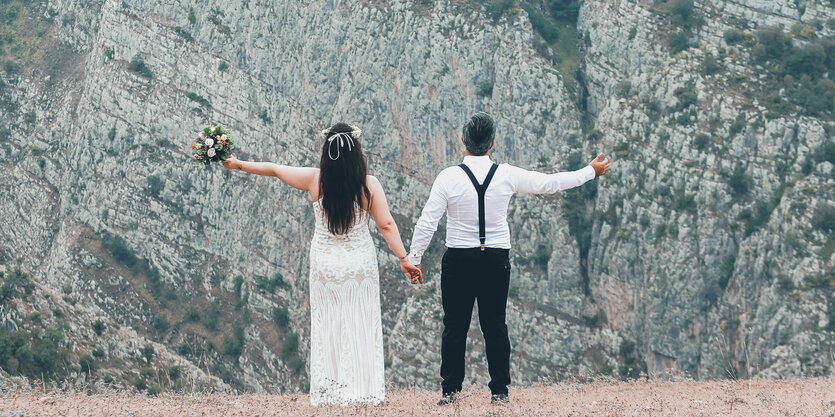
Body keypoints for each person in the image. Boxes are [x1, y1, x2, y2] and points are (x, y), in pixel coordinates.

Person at [408, 112, 609, 405]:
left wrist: (414, 259)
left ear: (463, 141)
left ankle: (450, 392)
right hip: (495, 259)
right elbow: (549, 183)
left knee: (454, 327)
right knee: (495, 325)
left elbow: (428, 222)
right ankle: (499, 391)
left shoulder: (447, 178)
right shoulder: (506, 174)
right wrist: (590, 171)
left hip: (458, 261)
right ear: (492, 144)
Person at [222, 122, 421, 405]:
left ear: (327, 152)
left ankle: (330, 390)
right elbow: (386, 225)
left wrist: (239, 164)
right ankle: (362, 390)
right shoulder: (369, 184)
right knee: (360, 324)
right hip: (359, 266)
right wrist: (404, 259)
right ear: (357, 152)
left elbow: (276, 169)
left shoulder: (315, 180)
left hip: (325, 267)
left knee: (328, 326)